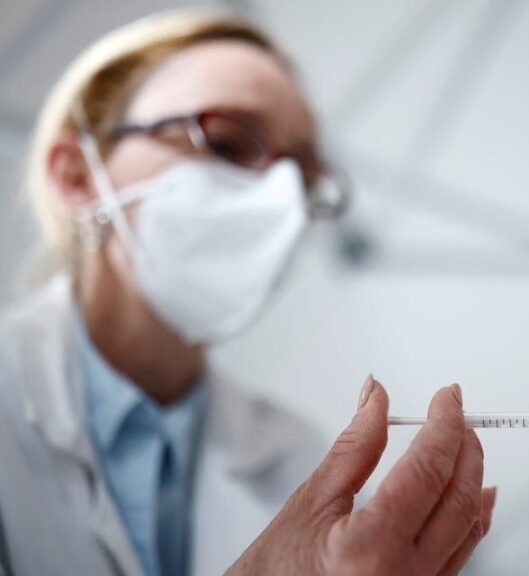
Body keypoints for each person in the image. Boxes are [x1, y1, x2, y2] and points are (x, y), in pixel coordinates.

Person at [0, 10, 494, 576]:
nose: (281, 201)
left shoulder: (300, 465)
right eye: (229, 143)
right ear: (77, 176)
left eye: (306, 179)